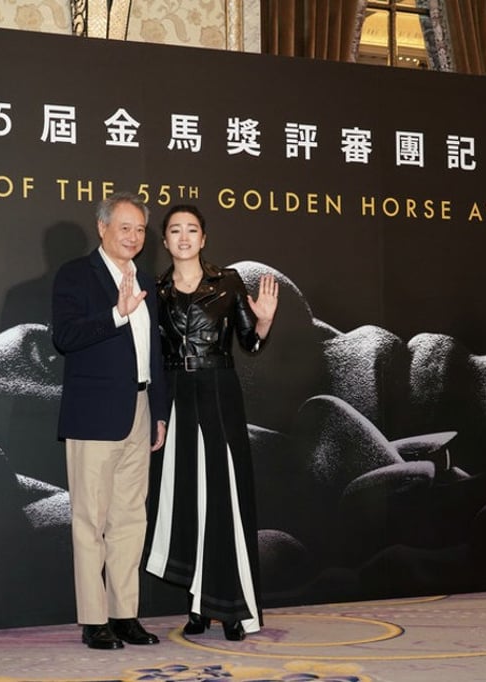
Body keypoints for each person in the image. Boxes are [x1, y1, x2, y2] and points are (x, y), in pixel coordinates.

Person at [144, 204, 278, 641]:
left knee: (224, 498)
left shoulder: (229, 283)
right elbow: (152, 360)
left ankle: (233, 608)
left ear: (204, 239)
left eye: (192, 230)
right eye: (175, 231)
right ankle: (199, 605)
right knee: (187, 500)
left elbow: (249, 346)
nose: (184, 237)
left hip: (219, 393)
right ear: (164, 241)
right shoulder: (156, 290)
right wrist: (158, 413)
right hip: (177, 395)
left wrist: (263, 322)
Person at [51, 192, 168, 650]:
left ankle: (125, 615)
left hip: (139, 412)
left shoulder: (146, 281)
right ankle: (94, 619)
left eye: (140, 229)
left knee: (130, 520)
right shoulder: (76, 275)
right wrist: (115, 314)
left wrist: (158, 411)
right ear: (102, 228)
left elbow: (154, 353)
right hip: (93, 415)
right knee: (89, 520)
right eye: (125, 227)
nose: (134, 237)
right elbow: (65, 336)